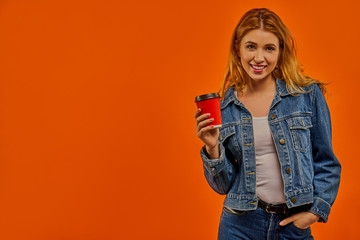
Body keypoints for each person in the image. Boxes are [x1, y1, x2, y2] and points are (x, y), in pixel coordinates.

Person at [194, 8, 341, 240]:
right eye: (251, 46)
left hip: (292, 225)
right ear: (237, 49)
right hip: (240, 225)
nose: (259, 58)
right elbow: (223, 186)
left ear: (280, 51)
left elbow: (326, 161)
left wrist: (314, 212)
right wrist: (213, 149)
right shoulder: (225, 108)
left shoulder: (306, 95)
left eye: (269, 48)